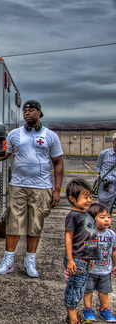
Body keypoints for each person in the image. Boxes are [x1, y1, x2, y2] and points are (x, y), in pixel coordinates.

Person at [0, 100, 64, 278]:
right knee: (13, 223)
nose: (27, 113)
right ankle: (8, 261)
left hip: (41, 187)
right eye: (25, 111)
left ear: (39, 113)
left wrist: (57, 190)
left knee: (35, 225)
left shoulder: (50, 136)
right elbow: (5, 155)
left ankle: (29, 262)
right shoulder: (14, 134)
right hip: (18, 185)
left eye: (31, 110)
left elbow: (58, 163)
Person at [64, 179, 99, 324]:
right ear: (73, 198)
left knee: (80, 288)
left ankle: (73, 315)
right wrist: (70, 260)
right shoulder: (73, 216)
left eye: (90, 197)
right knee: (74, 289)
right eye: (85, 197)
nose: (89, 200)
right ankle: (73, 320)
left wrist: (90, 258)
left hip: (85, 260)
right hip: (76, 260)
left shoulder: (86, 215)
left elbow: (88, 239)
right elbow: (69, 237)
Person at [82, 203, 116, 322]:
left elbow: (114, 250)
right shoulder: (88, 234)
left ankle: (105, 310)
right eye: (102, 217)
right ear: (92, 220)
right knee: (88, 290)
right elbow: (83, 250)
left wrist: (115, 265)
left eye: (108, 217)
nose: (107, 220)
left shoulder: (111, 235)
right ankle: (88, 309)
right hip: (90, 270)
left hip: (105, 270)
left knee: (104, 291)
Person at [96, 133, 116, 214]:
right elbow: (99, 168)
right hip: (107, 186)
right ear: (113, 141)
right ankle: (104, 227)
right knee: (104, 212)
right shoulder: (104, 154)